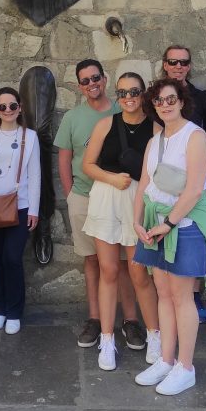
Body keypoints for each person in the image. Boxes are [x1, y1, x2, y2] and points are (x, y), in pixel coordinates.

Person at [54, 60, 144, 353]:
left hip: (120, 196)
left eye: (95, 78)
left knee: (124, 262)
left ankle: (130, 320)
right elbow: (65, 158)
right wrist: (70, 194)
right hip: (84, 195)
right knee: (93, 261)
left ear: (104, 80)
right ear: (79, 85)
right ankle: (95, 319)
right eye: (85, 80)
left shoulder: (123, 109)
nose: (91, 84)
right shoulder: (73, 117)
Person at [132, 79, 206, 396]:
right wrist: (137, 220)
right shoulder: (155, 141)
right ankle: (166, 360)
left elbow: (194, 190)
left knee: (182, 295)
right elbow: (144, 183)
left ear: (181, 101)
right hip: (156, 221)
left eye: (170, 99)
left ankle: (185, 366)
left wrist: (168, 223)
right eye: (158, 101)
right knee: (163, 292)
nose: (164, 105)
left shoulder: (195, 136)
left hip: (184, 222)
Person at [81, 72, 160, 370]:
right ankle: (107, 340)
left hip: (138, 202)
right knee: (109, 270)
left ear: (143, 94)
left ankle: (154, 335)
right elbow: (88, 164)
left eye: (134, 92)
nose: (128, 98)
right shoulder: (105, 124)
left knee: (139, 273)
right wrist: (112, 178)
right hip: (107, 197)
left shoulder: (156, 128)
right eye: (123, 93)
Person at [160, 44, 206, 324]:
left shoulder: (201, 97)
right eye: (173, 62)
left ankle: (193, 297)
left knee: (193, 239)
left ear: (189, 66)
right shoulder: (158, 96)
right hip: (164, 180)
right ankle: (168, 299)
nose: (178, 66)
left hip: (193, 178)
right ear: (165, 65)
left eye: (183, 62)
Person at [0, 87, 40, 335]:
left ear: (20, 108)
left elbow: (34, 174)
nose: (8, 110)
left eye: (12, 106)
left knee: (12, 258)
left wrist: (34, 209)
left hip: (19, 205)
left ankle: (14, 312)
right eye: (2, 106)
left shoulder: (29, 136)